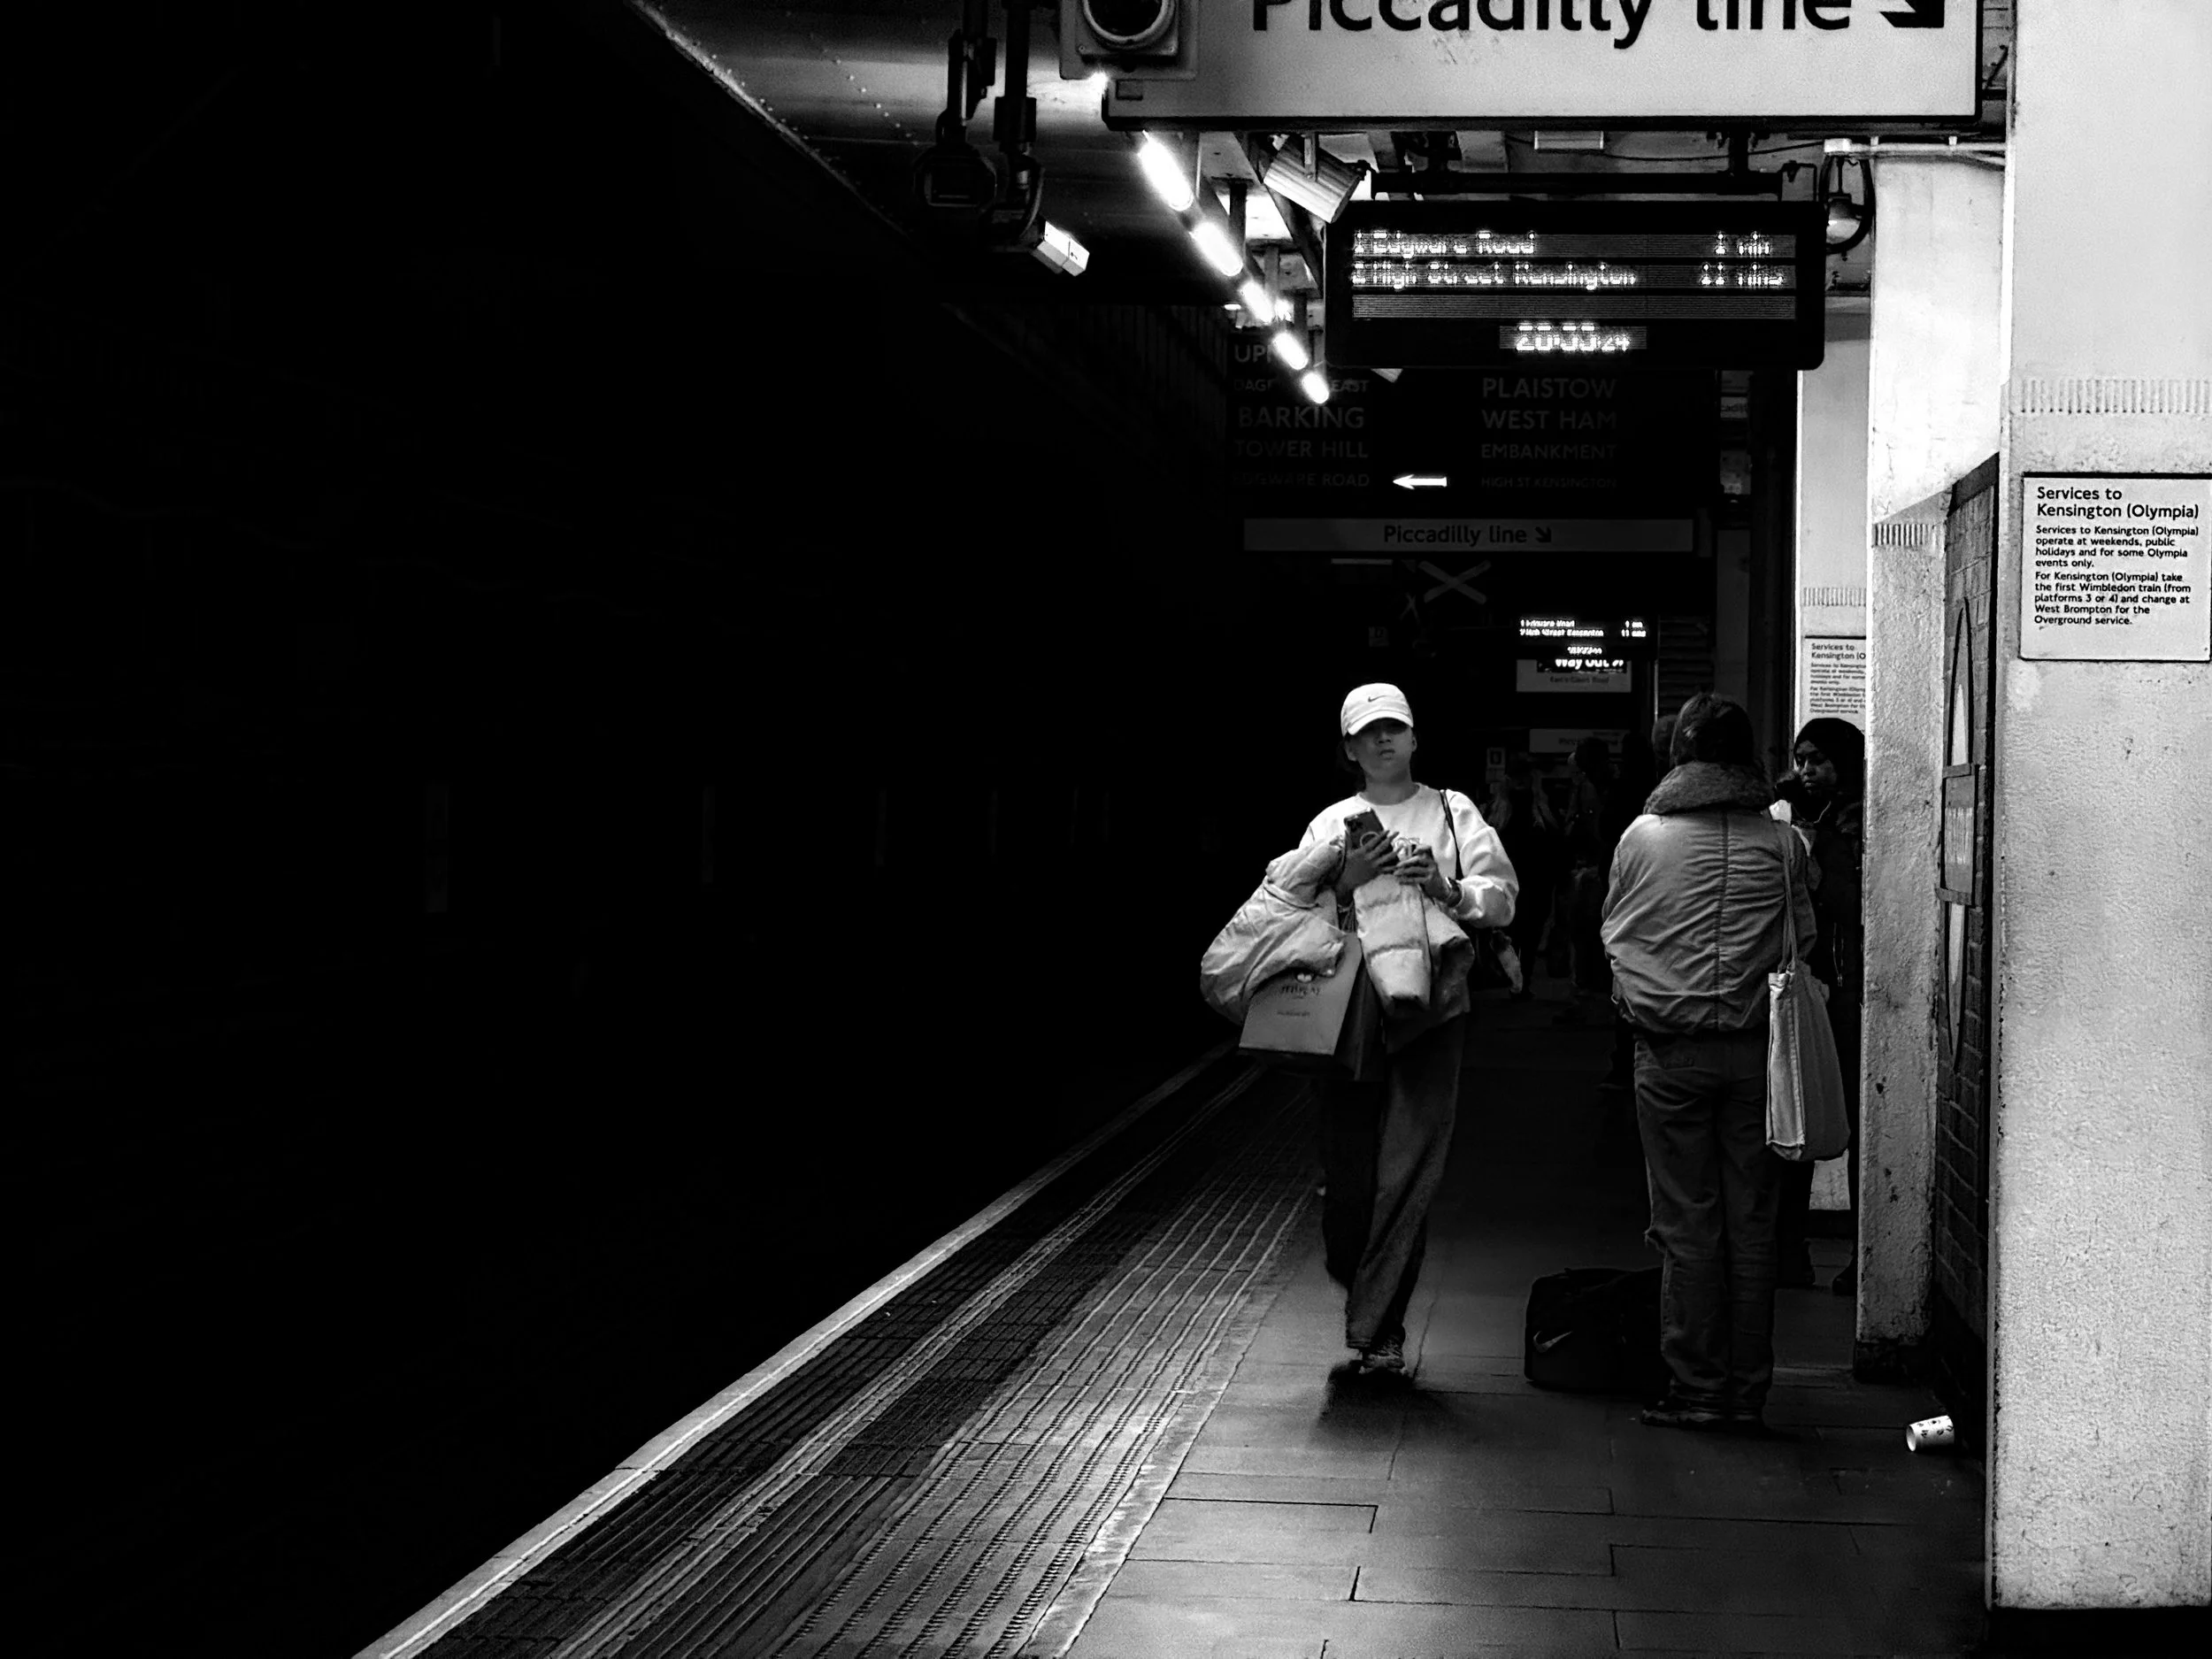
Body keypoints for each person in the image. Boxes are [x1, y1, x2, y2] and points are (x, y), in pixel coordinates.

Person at [1601, 693, 1816, 1433]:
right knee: (1752, 1225)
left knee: (1687, 1224)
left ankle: (1696, 1387)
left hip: (1669, 1053)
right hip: (1758, 1057)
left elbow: (1615, 929)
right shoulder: (1784, 844)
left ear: (1680, 757)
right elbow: (1804, 938)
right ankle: (1746, 1392)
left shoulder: (1642, 838)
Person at [1302, 682, 1518, 1379]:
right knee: (1349, 1174)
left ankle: (1381, 1330)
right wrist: (1344, 884)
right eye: (1368, 733)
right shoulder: (1331, 823)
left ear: (1415, 738)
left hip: (1432, 1011)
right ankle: (1359, 1275)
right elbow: (1289, 912)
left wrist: (1445, 887)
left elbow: (1503, 896)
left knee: (1408, 1169)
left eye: (1394, 728)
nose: (1383, 740)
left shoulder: (1451, 811)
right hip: (1349, 1013)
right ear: (1349, 750)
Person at [1772, 718, 1868, 1297]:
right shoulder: (1806, 815)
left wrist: (1814, 853)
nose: (1806, 770)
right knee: (1797, 1111)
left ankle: (1862, 1253)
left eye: (1818, 759)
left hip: (1850, 990)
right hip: (1815, 987)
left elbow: (1843, 898)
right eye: (1800, 759)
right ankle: (1789, 1248)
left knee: (1851, 1121)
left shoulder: (1856, 820)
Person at [1556, 736, 1619, 1025]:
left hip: (1595, 869)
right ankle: (1597, 998)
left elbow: (1591, 829)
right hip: (1603, 868)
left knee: (1586, 934)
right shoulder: (1610, 783)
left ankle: (1589, 998)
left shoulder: (1591, 788)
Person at [1485, 755, 1560, 996]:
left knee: (1523, 933)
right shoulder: (1536, 809)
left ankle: (1519, 981)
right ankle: (1519, 980)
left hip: (1528, 880)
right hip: (1521, 881)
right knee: (1520, 933)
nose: (1519, 781)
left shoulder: (1502, 811)